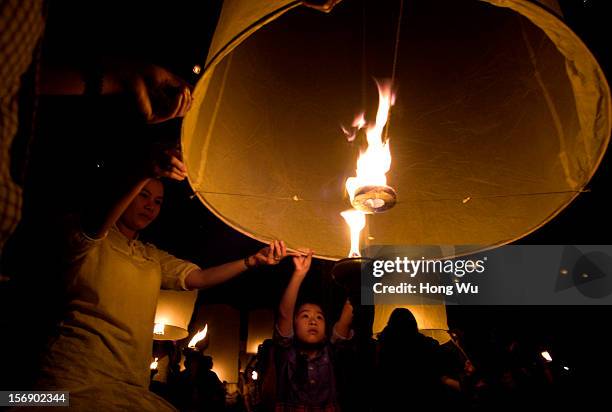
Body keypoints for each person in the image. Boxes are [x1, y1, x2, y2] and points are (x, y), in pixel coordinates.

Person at [33, 149, 289, 411]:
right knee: (12, 398)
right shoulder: (86, 235)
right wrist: (144, 171)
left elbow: (198, 277)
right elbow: (94, 227)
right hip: (71, 377)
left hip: (130, 382)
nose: (150, 206)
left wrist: (252, 261)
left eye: (157, 201)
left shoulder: (149, 255)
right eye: (143, 195)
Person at [270, 251, 354, 411]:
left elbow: (347, 316)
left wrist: (360, 279)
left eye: (319, 317)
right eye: (305, 316)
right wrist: (299, 274)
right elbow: (284, 314)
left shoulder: (332, 354)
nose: (313, 321)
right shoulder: (286, 354)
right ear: (294, 324)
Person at [374, 308, 444, 411]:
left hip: (390, 398)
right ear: (413, 323)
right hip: (422, 397)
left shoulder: (383, 345)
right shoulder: (426, 344)